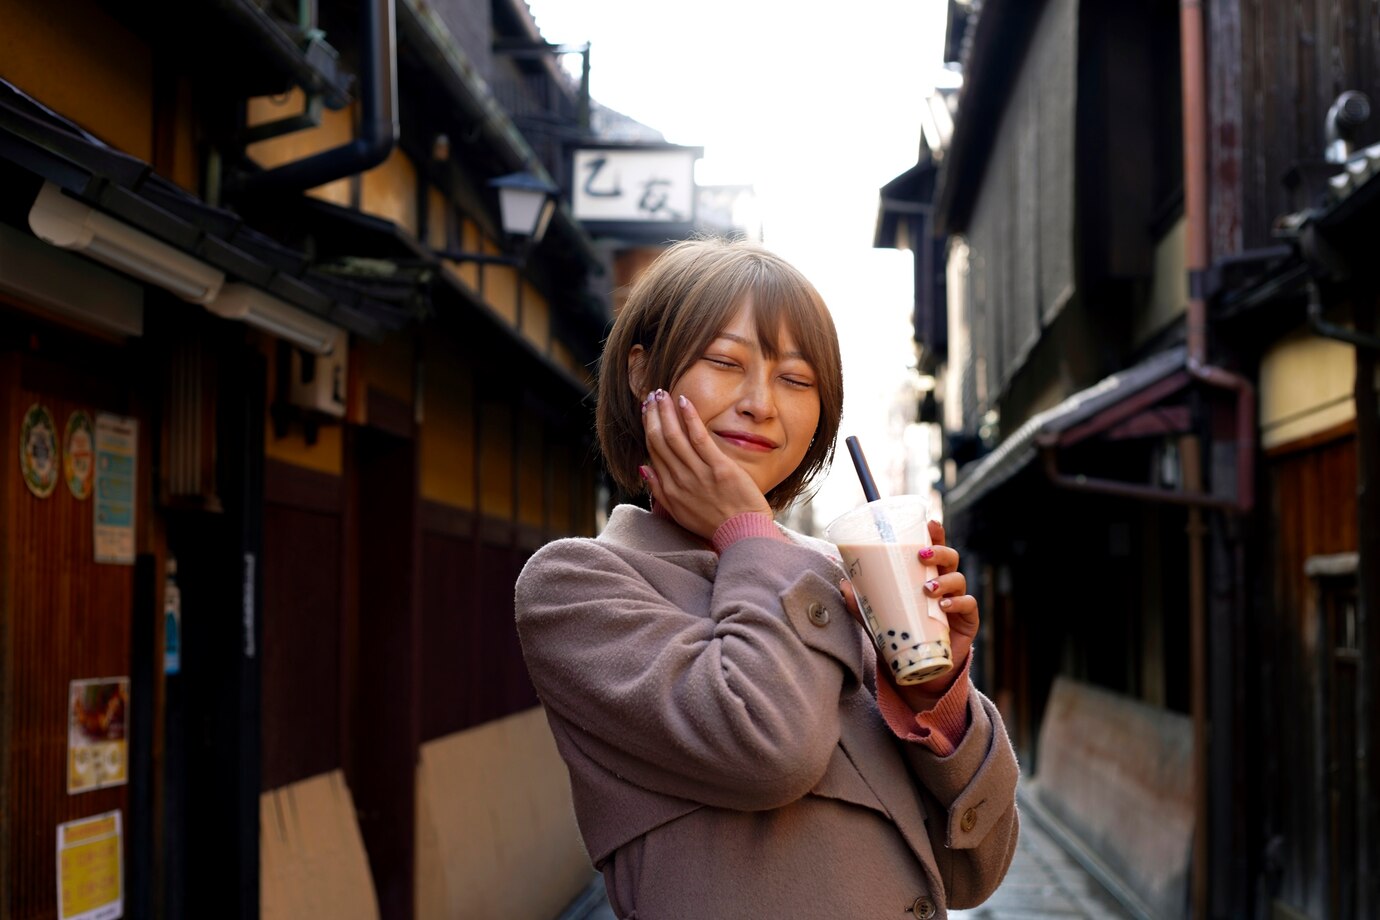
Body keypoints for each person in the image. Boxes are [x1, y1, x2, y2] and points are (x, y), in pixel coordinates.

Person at [515, 239, 1018, 919]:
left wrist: (935, 696)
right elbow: (770, 751)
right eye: (726, 362)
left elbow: (973, 872)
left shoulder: (843, 574)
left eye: (797, 380)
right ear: (641, 376)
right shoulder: (576, 586)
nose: (761, 403)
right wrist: (749, 533)